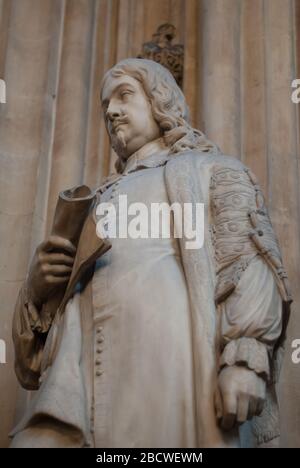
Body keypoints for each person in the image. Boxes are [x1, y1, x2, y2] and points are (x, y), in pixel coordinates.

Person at [10, 59, 291, 448]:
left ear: (161, 102)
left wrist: (246, 359)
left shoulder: (210, 170)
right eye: (106, 103)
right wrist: (38, 291)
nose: (111, 111)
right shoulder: (92, 202)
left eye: (125, 95)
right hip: (74, 377)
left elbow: (247, 259)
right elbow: (30, 368)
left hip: (170, 361)